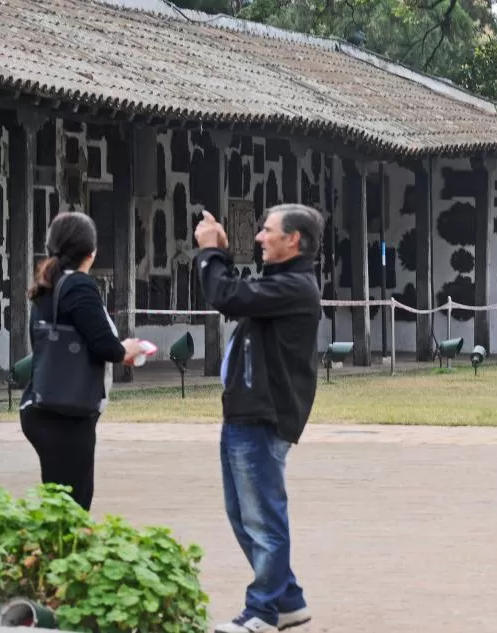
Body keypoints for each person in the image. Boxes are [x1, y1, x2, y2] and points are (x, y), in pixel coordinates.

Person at [194, 204, 324, 633]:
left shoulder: (296, 287)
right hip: (245, 412)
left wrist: (210, 253)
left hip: (263, 416)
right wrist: (222, 260)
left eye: (268, 231)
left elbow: (227, 296)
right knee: (243, 514)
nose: (259, 238)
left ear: (295, 240)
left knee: (263, 518)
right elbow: (237, 297)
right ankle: (288, 601)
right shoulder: (280, 285)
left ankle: (263, 612)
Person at [20, 211, 143, 510]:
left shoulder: (48, 284)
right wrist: (127, 348)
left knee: (59, 502)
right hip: (67, 414)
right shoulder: (79, 286)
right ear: (92, 252)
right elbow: (104, 345)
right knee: (74, 504)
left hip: (44, 405)